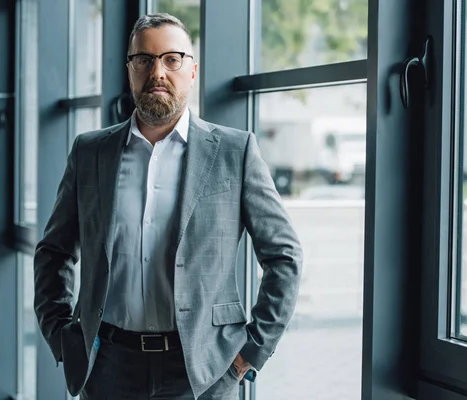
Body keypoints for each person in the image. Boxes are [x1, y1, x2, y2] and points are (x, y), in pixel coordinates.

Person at [34, 13, 303, 400]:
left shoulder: (234, 151)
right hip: (109, 367)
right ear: (130, 71)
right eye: (144, 60)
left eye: (172, 59)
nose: (157, 71)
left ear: (192, 71)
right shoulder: (90, 152)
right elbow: (53, 252)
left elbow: (284, 256)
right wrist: (61, 335)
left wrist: (251, 352)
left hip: (204, 370)